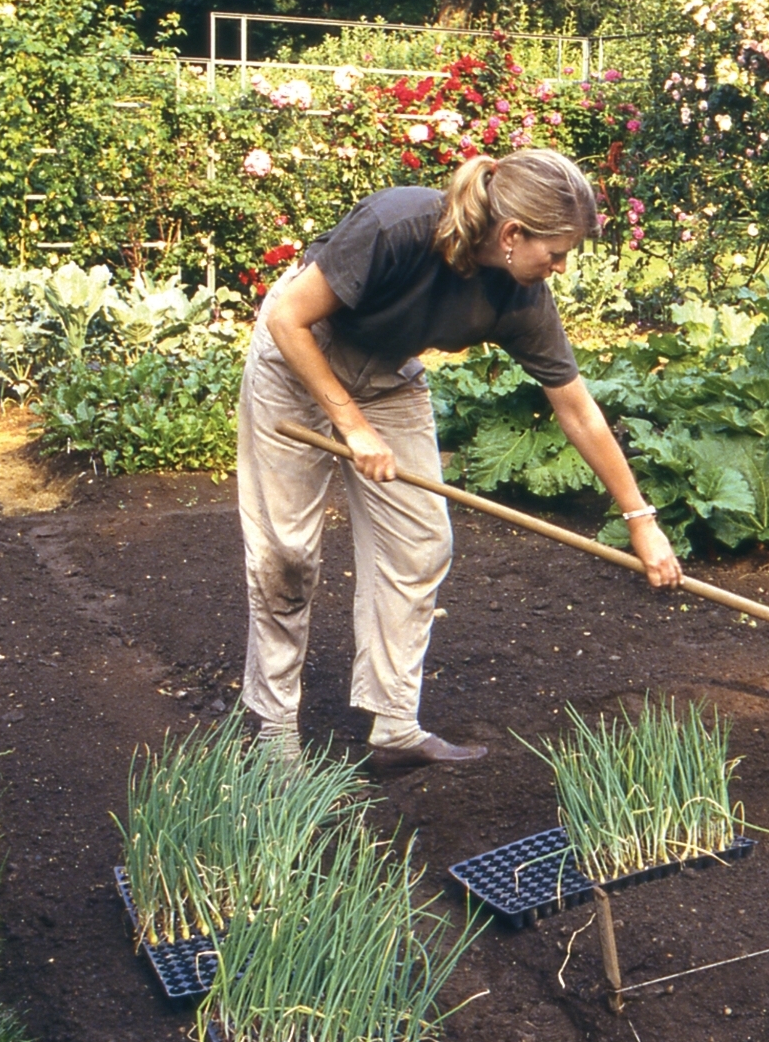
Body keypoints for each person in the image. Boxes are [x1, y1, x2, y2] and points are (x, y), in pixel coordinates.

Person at [236, 148, 681, 767]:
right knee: (286, 555)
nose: (557, 267)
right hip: (298, 360)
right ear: (511, 234)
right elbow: (289, 317)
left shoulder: (521, 298)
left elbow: (578, 410)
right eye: (555, 253)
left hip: (387, 375)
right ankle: (276, 731)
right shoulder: (399, 226)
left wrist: (642, 521)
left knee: (420, 545)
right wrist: (351, 424)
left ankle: (392, 724)